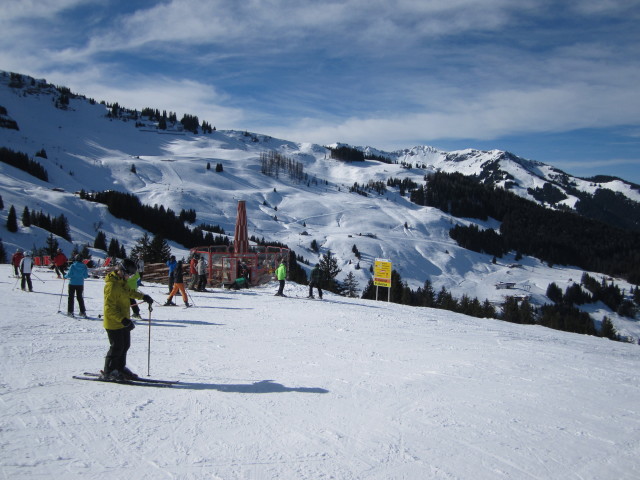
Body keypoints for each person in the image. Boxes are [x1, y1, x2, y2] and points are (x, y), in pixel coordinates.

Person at [101, 258, 154, 381]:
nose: (129, 277)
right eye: (128, 274)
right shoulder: (112, 286)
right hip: (114, 322)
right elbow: (109, 308)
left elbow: (129, 292)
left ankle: (120, 367)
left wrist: (143, 297)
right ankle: (109, 371)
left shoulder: (121, 282)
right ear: (121, 271)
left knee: (125, 345)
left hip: (123, 320)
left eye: (131, 275)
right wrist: (123, 320)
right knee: (116, 347)